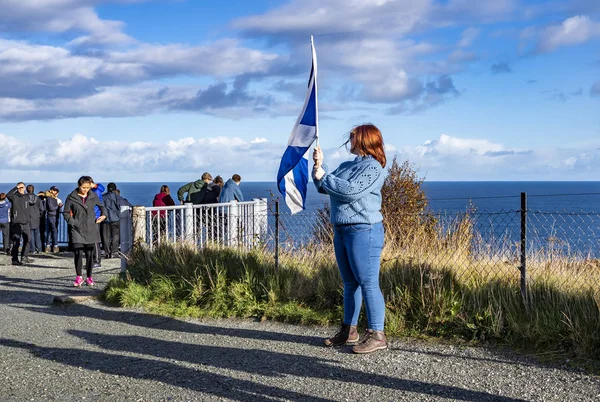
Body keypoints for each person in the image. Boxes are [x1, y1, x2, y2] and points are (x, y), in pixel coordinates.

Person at [312, 124, 388, 354]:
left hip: (364, 230)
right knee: (349, 283)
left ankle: (377, 334)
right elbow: (325, 187)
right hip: (343, 230)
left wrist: (324, 176)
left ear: (365, 140)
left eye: (354, 137)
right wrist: (319, 166)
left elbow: (350, 191)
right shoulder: (347, 166)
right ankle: (349, 331)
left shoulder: (373, 168)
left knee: (368, 282)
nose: (350, 141)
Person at [63, 176, 106, 287]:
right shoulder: (71, 197)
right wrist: (73, 222)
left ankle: (89, 277)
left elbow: (102, 207)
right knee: (78, 253)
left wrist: (103, 216)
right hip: (77, 229)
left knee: (90, 254)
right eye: (83, 187)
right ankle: (79, 277)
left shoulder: (93, 195)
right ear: (79, 185)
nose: (86, 190)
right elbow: (66, 212)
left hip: (91, 228)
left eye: (88, 187)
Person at [101, 182, 132, 259]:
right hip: (116, 219)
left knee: (105, 236)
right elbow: (127, 205)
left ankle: (107, 252)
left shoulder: (102, 197)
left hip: (105, 219)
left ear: (107, 188)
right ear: (115, 189)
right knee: (116, 235)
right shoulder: (118, 198)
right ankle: (114, 252)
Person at [6, 182, 34, 265]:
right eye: (19, 188)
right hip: (17, 223)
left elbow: (31, 204)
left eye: (22, 187)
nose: (20, 189)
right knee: (16, 242)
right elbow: (8, 195)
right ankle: (14, 259)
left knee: (28, 239)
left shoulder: (26, 197)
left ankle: (24, 257)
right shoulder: (14, 197)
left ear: (25, 188)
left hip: (26, 223)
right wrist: (15, 188)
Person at [90, 179, 105, 267]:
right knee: (93, 240)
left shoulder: (95, 192)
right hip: (95, 216)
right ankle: (94, 260)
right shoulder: (97, 190)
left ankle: (96, 260)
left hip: (95, 217)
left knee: (94, 240)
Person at [26, 185, 44, 254]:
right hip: (36, 218)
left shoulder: (25, 198)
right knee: (37, 234)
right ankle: (39, 249)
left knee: (30, 234)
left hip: (28, 218)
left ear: (27, 190)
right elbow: (42, 209)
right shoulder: (38, 199)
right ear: (33, 190)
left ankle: (32, 249)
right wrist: (39, 216)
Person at [45, 186, 61, 253]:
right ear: (51, 190)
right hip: (52, 216)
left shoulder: (50, 198)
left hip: (51, 216)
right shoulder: (50, 198)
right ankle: (55, 246)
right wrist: (58, 206)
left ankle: (48, 246)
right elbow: (51, 208)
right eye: (54, 190)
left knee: (49, 232)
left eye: (56, 191)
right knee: (54, 231)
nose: (55, 192)